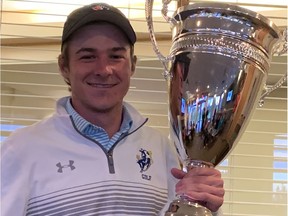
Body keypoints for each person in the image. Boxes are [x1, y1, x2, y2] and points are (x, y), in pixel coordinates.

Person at [1, 3, 224, 216]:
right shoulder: (20, 149)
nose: (104, 69)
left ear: (132, 65)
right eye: (87, 56)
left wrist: (205, 205)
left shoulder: (163, 149)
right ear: (64, 66)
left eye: (116, 56)